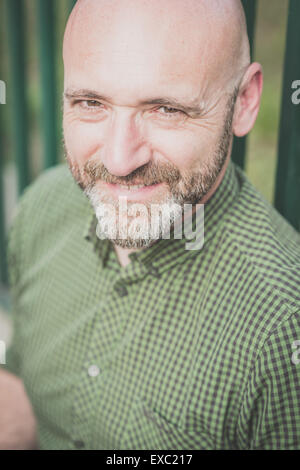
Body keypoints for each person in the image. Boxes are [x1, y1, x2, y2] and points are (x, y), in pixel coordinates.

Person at [0, 0, 299, 450]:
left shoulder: (282, 328)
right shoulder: (42, 209)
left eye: (166, 110)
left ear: (244, 102)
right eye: (90, 102)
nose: (120, 161)